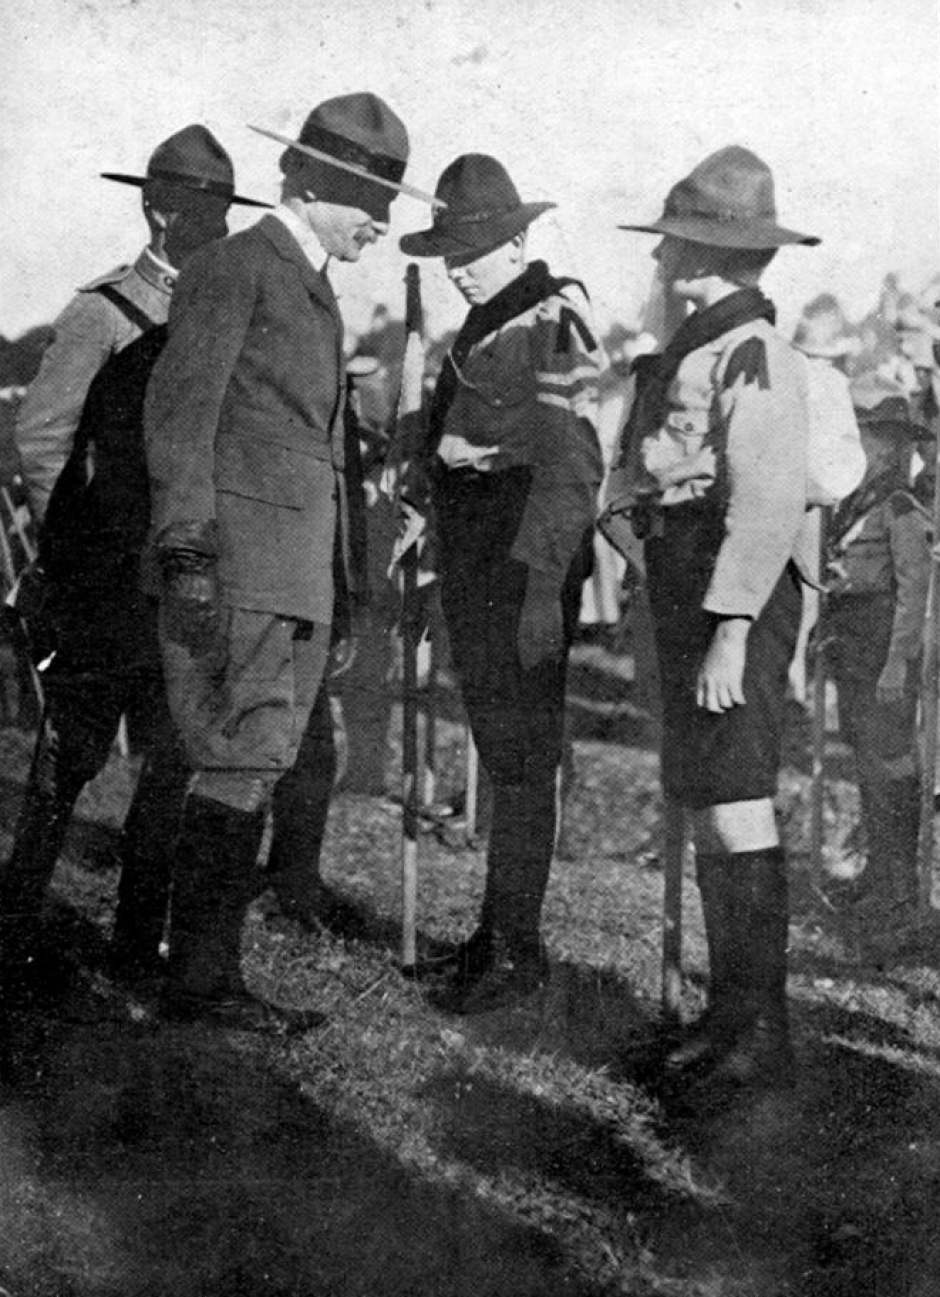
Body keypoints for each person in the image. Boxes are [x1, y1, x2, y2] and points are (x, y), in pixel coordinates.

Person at [144, 92, 417, 1030]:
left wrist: (344, 580)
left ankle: (207, 976)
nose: (376, 220)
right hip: (243, 568)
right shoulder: (235, 268)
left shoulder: (313, 287)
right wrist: (186, 554)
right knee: (234, 762)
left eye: (384, 199)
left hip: (297, 572)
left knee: (257, 765)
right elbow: (181, 418)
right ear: (301, 180)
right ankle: (201, 985)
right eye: (358, 196)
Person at [0, 126, 266, 1003]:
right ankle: (14, 928)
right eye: (193, 209)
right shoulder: (104, 312)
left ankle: (134, 941)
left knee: (170, 756)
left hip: (186, 573)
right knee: (68, 754)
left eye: (221, 212)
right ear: (155, 209)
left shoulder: (228, 314)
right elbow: (43, 439)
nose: (208, 227)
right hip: (104, 574)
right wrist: (73, 547)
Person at [614, 146, 820, 1090]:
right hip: (688, 578)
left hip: (736, 589)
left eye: (673, 243)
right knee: (703, 798)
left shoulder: (757, 354)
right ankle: (728, 1016)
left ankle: (761, 1033)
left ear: (705, 253)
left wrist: (733, 627)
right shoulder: (691, 347)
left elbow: (769, 501)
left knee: (737, 802)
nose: (660, 258)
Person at [399, 153, 603, 1013]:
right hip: (478, 552)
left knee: (521, 764)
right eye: (449, 246)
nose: (457, 264)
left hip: (526, 558)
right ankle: (495, 935)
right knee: (501, 752)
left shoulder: (553, 319)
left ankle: (519, 951)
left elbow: (572, 463)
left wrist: (539, 584)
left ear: (521, 240)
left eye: (476, 245)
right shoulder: (483, 323)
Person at [824, 390, 932, 956]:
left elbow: (914, 593)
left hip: (884, 641)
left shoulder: (899, 507)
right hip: (852, 636)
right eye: (869, 436)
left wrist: (896, 663)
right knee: (867, 760)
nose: (873, 448)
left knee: (891, 763)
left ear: (899, 448)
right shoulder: (854, 500)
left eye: (884, 440)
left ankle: (899, 889)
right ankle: (878, 876)